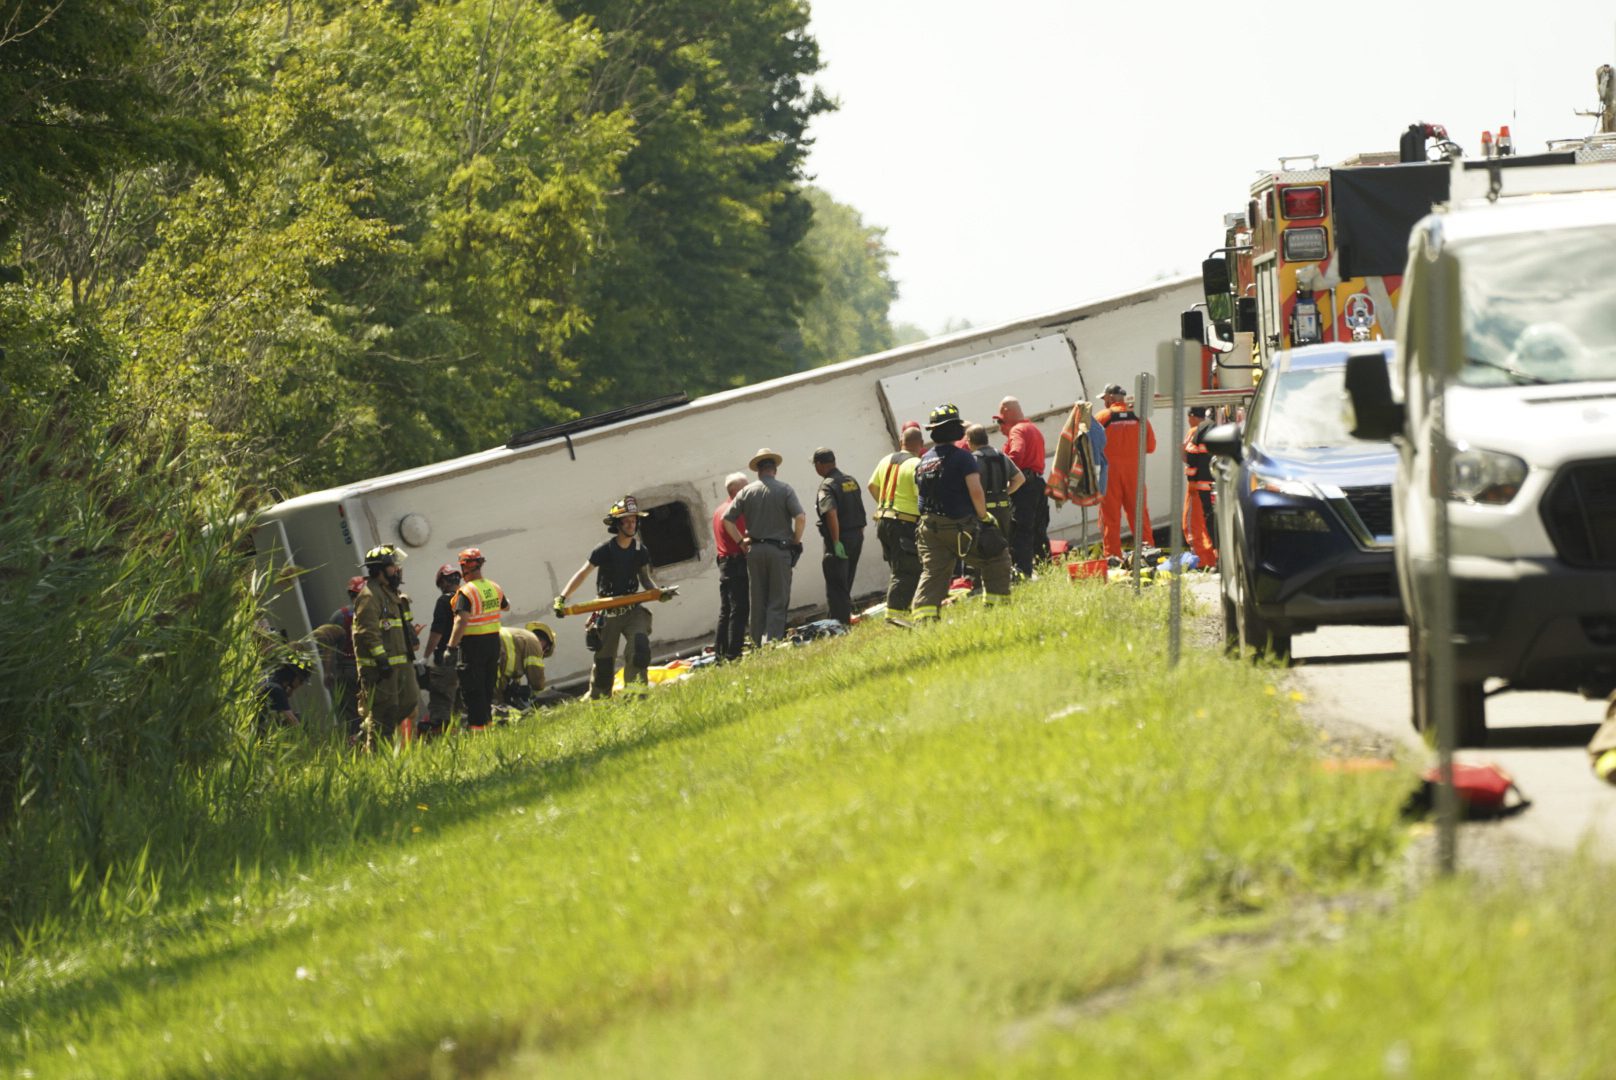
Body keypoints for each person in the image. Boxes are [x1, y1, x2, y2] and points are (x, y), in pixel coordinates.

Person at [555, 496, 673, 699]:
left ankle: (636, 696)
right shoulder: (604, 550)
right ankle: (599, 699)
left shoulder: (640, 550)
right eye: (626, 521)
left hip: (633, 610)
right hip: (607, 613)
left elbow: (645, 579)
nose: (631, 524)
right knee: (604, 662)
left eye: (634, 520)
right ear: (617, 524)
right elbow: (583, 573)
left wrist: (658, 593)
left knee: (639, 648)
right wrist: (562, 597)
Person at [911, 404, 1013, 621]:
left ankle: (923, 620)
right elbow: (975, 490)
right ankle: (997, 609)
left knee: (934, 572)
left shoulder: (924, 460)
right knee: (997, 556)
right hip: (959, 526)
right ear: (954, 429)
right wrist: (984, 517)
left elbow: (921, 495)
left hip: (929, 529)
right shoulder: (963, 458)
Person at [723, 449, 806, 645]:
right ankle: (772, 642)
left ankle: (756, 643)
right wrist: (795, 540)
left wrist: (740, 542)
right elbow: (800, 517)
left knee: (758, 599)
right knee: (778, 598)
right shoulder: (785, 489)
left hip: (755, 551)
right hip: (779, 550)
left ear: (758, 471)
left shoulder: (745, 492)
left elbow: (727, 520)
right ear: (774, 469)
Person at [352, 545, 419, 746]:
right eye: (393, 566)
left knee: (409, 702)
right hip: (381, 670)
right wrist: (381, 660)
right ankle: (374, 751)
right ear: (379, 569)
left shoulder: (391, 593)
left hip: (401, 665)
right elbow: (368, 632)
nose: (397, 570)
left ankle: (376, 736)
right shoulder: (369, 596)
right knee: (383, 714)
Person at [446, 546, 509, 730]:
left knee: (473, 691)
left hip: (472, 646)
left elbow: (461, 620)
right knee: (488, 687)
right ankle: (487, 726)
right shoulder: (494, 587)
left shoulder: (466, 592)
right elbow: (506, 606)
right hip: (493, 643)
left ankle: (478, 731)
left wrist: (450, 648)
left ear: (465, 567)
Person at [868, 423, 925, 620]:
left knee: (897, 567)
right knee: (907, 569)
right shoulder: (916, 464)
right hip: (904, 523)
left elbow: (872, 485)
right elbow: (921, 496)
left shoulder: (886, 460)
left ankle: (904, 608)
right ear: (921, 444)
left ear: (901, 442)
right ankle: (895, 614)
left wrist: (884, 505)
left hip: (883, 521)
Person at [1095, 382, 1157, 558]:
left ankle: (1113, 557)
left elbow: (1090, 445)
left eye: (1105, 398)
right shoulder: (1139, 418)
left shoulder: (1102, 417)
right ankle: (1149, 554)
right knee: (1139, 515)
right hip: (1134, 474)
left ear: (1110, 398)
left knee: (1110, 517)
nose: (1104, 402)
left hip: (1109, 475)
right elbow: (1150, 447)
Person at [812, 447, 869, 625]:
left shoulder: (827, 485)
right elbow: (859, 510)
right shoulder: (850, 480)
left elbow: (831, 513)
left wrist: (836, 541)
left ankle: (839, 625)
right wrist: (858, 535)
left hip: (840, 540)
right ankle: (841, 619)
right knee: (846, 581)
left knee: (836, 585)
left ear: (819, 464)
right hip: (856, 537)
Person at [996, 396, 1049, 577]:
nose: (1000, 427)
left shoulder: (1017, 430)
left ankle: (1023, 572)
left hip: (1024, 488)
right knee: (1039, 530)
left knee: (1021, 530)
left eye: (1001, 421)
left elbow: (1016, 454)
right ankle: (1045, 567)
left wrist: (1003, 476)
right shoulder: (1033, 429)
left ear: (1007, 415)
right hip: (1038, 484)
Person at [418, 562, 463, 735]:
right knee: (462, 702)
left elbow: (437, 631)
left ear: (443, 582)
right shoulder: (468, 599)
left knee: (441, 700)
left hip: (448, 659)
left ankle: (440, 736)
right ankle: (464, 735)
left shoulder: (444, 601)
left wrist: (425, 657)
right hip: (469, 657)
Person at [712, 471, 750, 660]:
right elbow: (743, 538)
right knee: (740, 608)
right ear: (736, 491)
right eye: (745, 487)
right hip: (735, 562)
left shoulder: (718, 510)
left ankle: (720, 652)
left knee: (726, 609)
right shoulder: (735, 511)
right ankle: (734, 653)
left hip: (724, 562)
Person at [322, 574, 367, 730]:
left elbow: (329, 649)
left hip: (346, 670)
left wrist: (327, 673)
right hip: (369, 669)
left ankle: (355, 739)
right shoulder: (373, 613)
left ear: (350, 593)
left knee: (351, 712)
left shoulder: (339, 616)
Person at [966, 422, 1024, 540]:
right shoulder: (1002, 456)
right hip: (1004, 511)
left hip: (984, 513)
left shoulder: (973, 460)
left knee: (986, 546)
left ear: (970, 441)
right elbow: (1020, 479)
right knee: (1005, 545)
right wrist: (1005, 492)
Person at [1182, 406, 1218, 570]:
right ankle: (1213, 558)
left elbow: (1190, 456)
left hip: (1197, 486)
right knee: (1211, 522)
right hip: (1214, 485)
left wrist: (1191, 481)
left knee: (1192, 524)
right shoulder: (1215, 429)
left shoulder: (1195, 431)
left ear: (1192, 416)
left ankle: (1201, 560)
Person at [496, 622, 556, 707]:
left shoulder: (521, 640)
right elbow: (537, 682)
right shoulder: (534, 644)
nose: (540, 655)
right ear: (547, 646)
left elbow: (506, 671)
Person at [257, 654, 312, 731]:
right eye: (301, 681)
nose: (301, 685)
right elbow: (293, 721)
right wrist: (304, 734)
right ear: (293, 676)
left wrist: (291, 690)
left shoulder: (271, 679)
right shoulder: (277, 690)